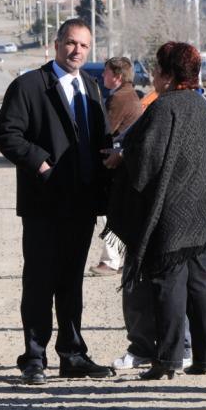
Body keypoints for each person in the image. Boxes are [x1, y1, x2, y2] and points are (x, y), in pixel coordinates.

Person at [0, 18, 115, 385]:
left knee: (71, 282)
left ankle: (73, 353)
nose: (77, 51)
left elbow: (99, 140)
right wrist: (41, 164)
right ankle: (34, 357)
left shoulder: (91, 89)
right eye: (71, 43)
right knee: (40, 282)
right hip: (44, 204)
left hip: (80, 204)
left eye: (84, 46)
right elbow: (5, 134)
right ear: (57, 43)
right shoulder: (30, 86)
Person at [105, 41, 206, 381]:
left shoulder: (164, 107)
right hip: (203, 210)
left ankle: (169, 359)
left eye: (157, 71)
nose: (153, 76)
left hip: (172, 213)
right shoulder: (203, 106)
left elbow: (146, 163)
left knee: (168, 284)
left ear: (170, 77)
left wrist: (121, 158)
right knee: (200, 282)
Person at [90, 56, 143, 278]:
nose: (102, 76)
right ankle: (119, 259)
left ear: (117, 76)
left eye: (106, 72)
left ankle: (111, 260)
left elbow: (104, 132)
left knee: (110, 214)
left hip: (118, 164)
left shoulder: (119, 99)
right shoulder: (128, 94)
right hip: (125, 163)